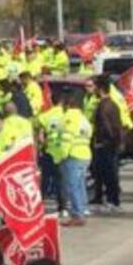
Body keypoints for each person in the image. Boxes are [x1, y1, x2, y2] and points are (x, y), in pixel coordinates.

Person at [59, 91, 93, 226]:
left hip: (73, 155)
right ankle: (82, 209)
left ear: (67, 104)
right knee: (79, 185)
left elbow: (67, 137)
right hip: (85, 154)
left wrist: (62, 155)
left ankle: (77, 215)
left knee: (72, 186)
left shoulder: (68, 117)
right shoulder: (83, 118)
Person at [89, 78, 122, 212]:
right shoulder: (113, 104)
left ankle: (111, 200)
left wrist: (102, 140)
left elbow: (105, 125)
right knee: (109, 173)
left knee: (105, 173)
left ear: (101, 89)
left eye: (95, 88)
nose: (94, 91)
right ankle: (109, 199)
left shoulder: (103, 106)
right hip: (112, 143)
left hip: (104, 144)